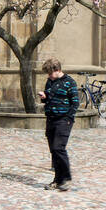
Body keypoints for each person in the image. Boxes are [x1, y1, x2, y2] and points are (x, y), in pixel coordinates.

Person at [38, 58, 79, 191]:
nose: (49, 76)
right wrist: (45, 97)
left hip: (63, 120)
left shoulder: (69, 82)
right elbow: (48, 98)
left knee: (58, 148)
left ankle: (67, 177)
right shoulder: (50, 82)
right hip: (51, 119)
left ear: (57, 70)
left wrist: (68, 118)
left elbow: (75, 102)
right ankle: (58, 179)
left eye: (50, 73)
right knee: (53, 151)